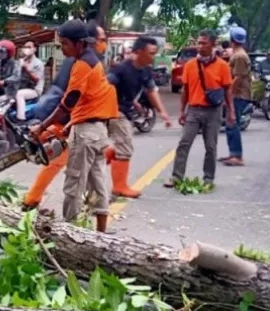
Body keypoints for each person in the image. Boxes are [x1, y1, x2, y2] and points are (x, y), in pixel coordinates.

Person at [30, 19, 118, 233]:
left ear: (79, 43)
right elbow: (86, 102)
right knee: (98, 182)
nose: (63, 49)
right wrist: (69, 124)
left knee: (74, 184)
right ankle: (101, 233)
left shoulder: (81, 66)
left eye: (65, 44)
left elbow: (69, 101)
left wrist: (42, 127)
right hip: (97, 131)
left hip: (86, 134)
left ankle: (70, 233)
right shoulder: (94, 61)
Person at [164, 30, 235, 188]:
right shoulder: (190, 65)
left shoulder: (222, 66)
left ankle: (208, 178)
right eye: (198, 42)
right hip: (194, 111)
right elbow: (185, 90)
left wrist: (231, 112)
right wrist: (182, 111)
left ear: (212, 45)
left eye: (204, 43)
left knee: (211, 146)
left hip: (213, 111)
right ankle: (177, 177)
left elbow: (227, 90)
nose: (199, 46)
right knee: (184, 143)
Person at [107, 36, 173, 198]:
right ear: (139, 51)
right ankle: (119, 186)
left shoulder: (145, 70)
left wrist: (162, 112)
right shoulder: (121, 69)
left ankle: (104, 154)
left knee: (121, 146)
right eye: (151, 53)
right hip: (114, 111)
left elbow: (151, 91)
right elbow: (105, 88)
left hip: (126, 110)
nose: (153, 57)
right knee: (125, 147)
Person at [219, 27, 251, 167]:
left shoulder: (239, 56)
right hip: (237, 93)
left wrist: (229, 95)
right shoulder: (237, 54)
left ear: (232, 39)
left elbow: (237, 78)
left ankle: (237, 155)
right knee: (230, 124)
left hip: (239, 94)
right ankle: (233, 153)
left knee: (233, 123)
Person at [16, 41, 45, 121]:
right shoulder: (22, 61)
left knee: (19, 94)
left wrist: (26, 69)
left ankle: (21, 119)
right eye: (25, 47)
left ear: (34, 49)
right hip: (22, 87)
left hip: (34, 90)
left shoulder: (38, 63)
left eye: (29, 47)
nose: (26, 49)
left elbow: (36, 80)